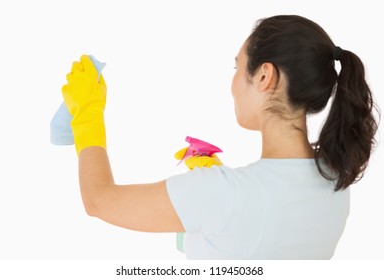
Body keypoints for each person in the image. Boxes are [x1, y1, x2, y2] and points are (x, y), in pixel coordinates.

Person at [61, 15, 379, 259]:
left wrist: (88, 116)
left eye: (237, 67)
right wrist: (205, 212)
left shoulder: (223, 194)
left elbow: (98, 201)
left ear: (265, 76)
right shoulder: (337, 180)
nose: (232, 83)